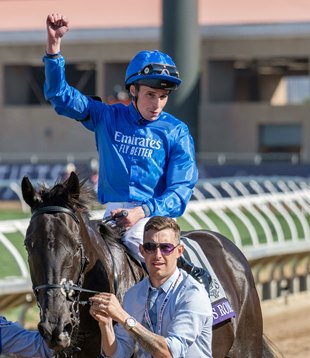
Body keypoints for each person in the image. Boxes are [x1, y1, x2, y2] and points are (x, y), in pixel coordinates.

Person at [44, 13, 210, 288]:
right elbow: (60, 97)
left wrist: (142, 212)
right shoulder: (107, 117)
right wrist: (54, 49)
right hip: (111, 216)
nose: (157, 104)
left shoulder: (176, 131)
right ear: (133, 90)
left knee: (139, 245)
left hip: (154, 222)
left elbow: (181, 190)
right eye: (150, 95)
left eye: (163, 96)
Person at [89, 216, 212, 358]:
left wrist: (123, 317)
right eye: (150, 247)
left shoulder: (192, 294)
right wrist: (106, 325)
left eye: (166, 248)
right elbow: (119, 354)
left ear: (179, 251)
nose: (157, 255)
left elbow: (169, 353)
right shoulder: (133, 294)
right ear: (142, 250)